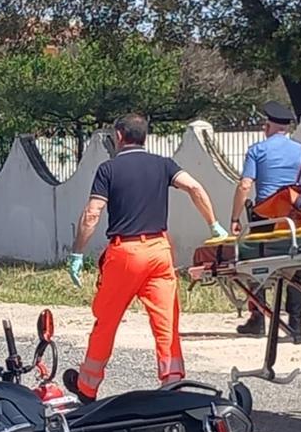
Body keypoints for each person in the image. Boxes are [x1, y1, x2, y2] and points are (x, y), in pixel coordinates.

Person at [61, 113, 228, 403]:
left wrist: (77, 252)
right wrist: (213, 224)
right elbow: (195, 187)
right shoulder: (164, 165)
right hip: (159, 251)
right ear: (145, 137)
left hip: (125, 254)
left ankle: (87, 387)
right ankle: (173, 383)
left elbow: (92, 214)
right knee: (166, 323)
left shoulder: (108, 169)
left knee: (107, 321)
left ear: (119, 136)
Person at [228, 101, 301, 339]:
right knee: (296, 268)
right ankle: (295, 323)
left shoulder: (257, 150)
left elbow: (245, 185)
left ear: (268, 126)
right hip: (293, 217)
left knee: (255, 266)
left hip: (264, 219)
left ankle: (258, 319)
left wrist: (235, 218)